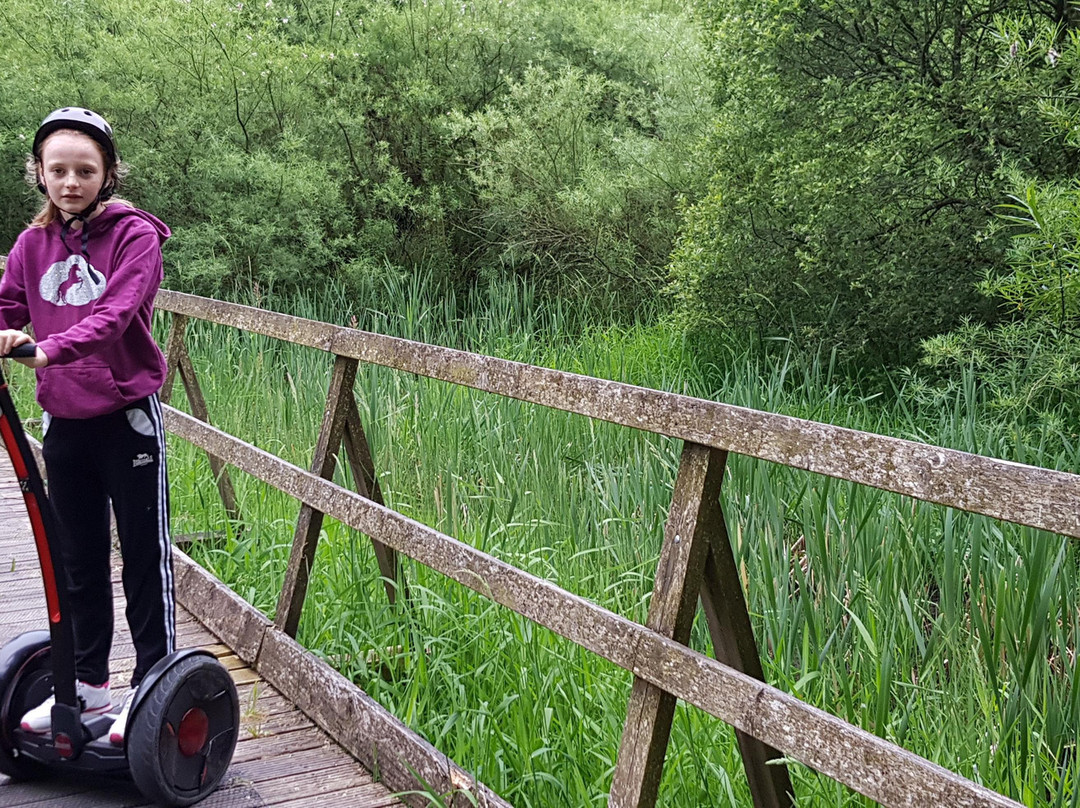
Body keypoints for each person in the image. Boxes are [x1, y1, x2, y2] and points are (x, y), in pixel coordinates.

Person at [0, 107, 175, 745]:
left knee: (143, 558)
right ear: (40, 176)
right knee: (76, 560)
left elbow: (116, 313)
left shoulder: (136, 239)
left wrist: (50, 349)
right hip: (64, 421)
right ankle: (88, 688)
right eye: (58, 170)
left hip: (125, 419)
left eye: (85, 170)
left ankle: (152, 689)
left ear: (106, 174)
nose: (71, 181)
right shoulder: (31, 244)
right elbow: (9, 303)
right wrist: (9, 333)